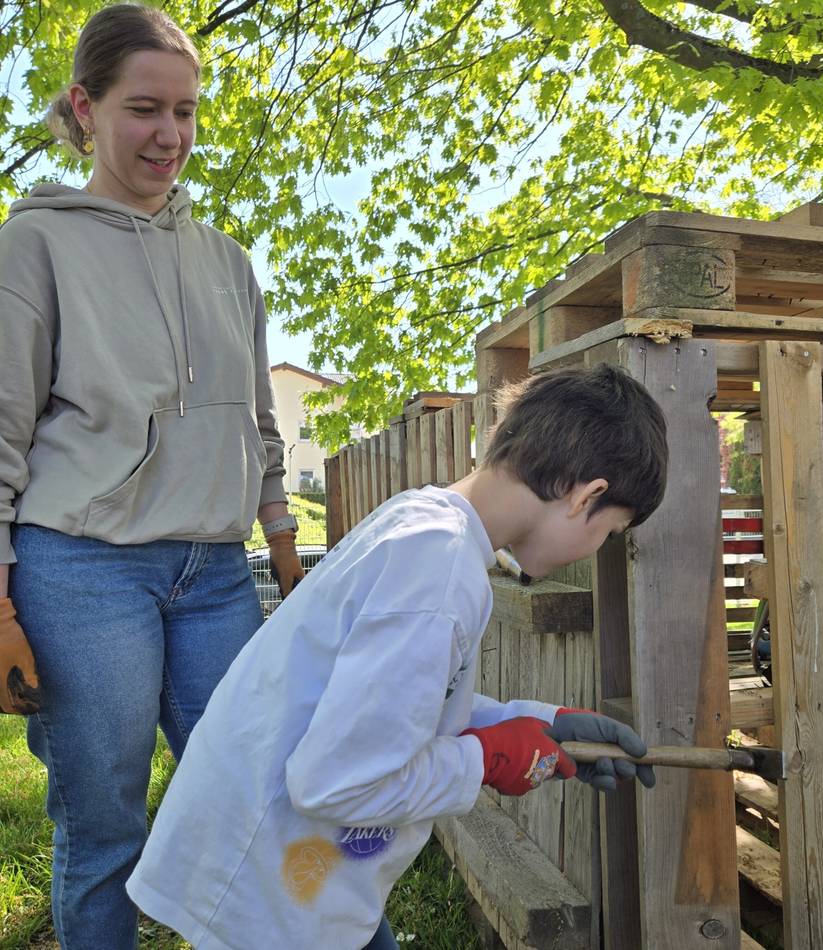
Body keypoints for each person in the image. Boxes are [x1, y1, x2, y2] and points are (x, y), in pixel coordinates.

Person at [126, 363, 669, 950]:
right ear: (587, 495)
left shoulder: (425, 525)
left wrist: (534, 721)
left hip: (282, 866)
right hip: (266, 886)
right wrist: (482, 759)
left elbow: (393, 699)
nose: (598, 547)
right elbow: (337, 782)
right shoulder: (439, 570)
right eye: (610, 532)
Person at [0, 6, 306, 948]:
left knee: (263, 802)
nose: (169, 135)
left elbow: (259, 423)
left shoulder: (229, 262)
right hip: (81, 572)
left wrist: (287, 558)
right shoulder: (34, 242)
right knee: (106, 833)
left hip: (216, 574)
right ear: (85, 108)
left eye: (186, 111)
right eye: (144, 109)